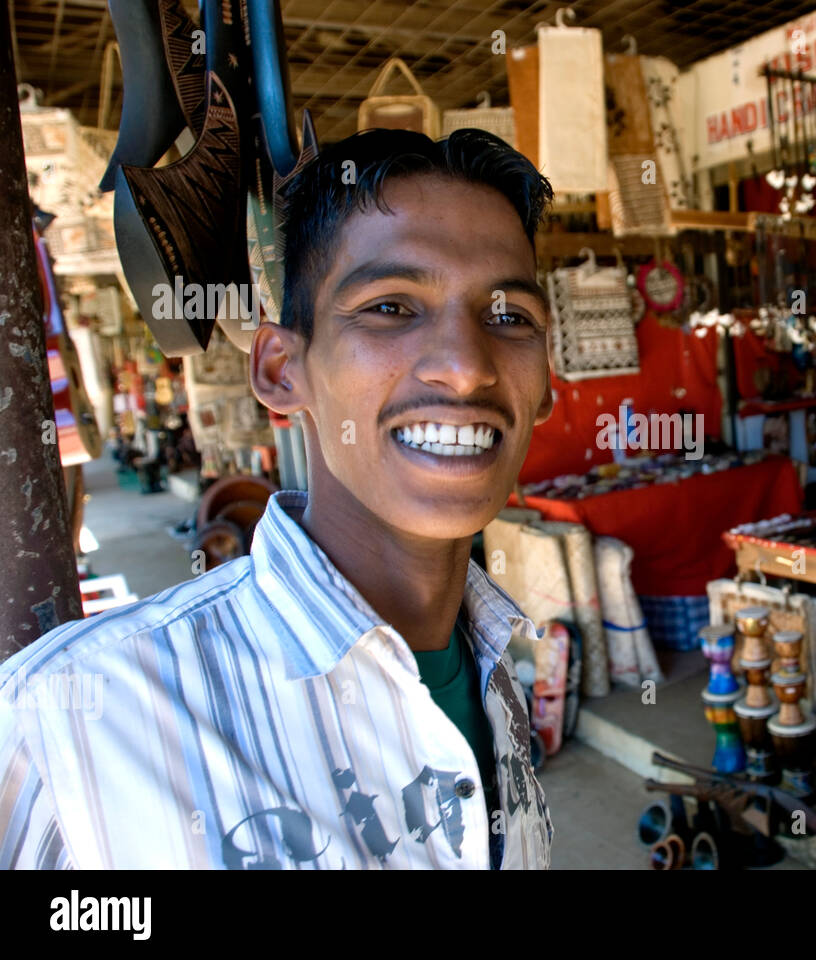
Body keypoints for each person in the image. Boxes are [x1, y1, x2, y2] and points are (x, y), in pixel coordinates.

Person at [0, 128, 556, 869]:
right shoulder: (68, 720)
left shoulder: (491, 673)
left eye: (509, 317)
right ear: (281, 371)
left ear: (548, 384)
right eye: (391, 307)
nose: (464, 368)